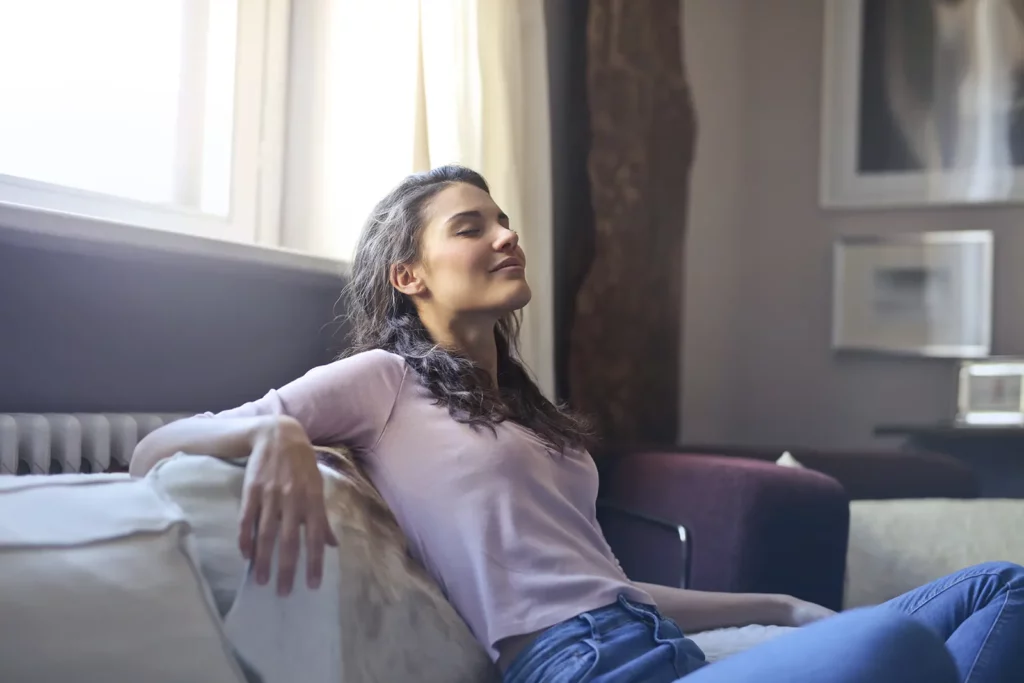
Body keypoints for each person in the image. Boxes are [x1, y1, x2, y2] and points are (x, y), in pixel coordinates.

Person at [130, 165, 1023, 683]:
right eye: (472, 226)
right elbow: (152, 446)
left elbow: (607, 585)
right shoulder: (384, 381)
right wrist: (276, 433)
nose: (507, 235)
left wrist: (781, 605)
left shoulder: (530, 414)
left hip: (652, 643)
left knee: (1000, 587)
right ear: (410, 276)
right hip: (581, 669)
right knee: (899, 643)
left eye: (505, 219)